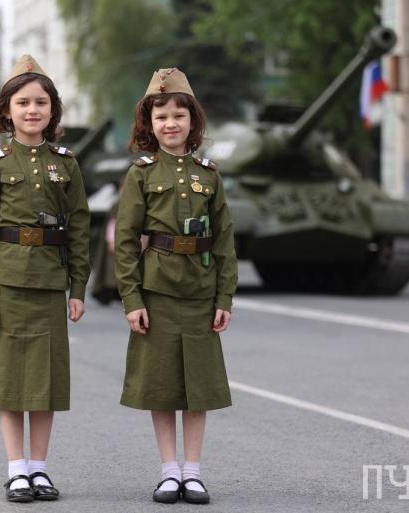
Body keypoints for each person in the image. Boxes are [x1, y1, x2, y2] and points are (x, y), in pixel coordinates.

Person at [0, 55, 90, 503]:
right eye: (22, 103)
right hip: (8, 286)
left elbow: (79, 229)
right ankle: (16, 469)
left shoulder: (66, 163)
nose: (32, 110)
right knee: (8, 380)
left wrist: (78, 287)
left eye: (41, 102)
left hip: (50, 285)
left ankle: (40, 468)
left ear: (53, 110)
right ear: (6, 111)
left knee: (45, 381)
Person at [114, 68, 238, 504]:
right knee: (162, 384)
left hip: (201, 292)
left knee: (198, 386)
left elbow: (224, 239)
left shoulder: (209, 174)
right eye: (161, 116)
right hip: (157, 292)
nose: (170, 123)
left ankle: (193, 471)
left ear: (193, 120)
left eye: (178, 115)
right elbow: (125, 240)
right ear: (149, 123)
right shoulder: (141, 174)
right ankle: (169, 470)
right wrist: (132, 298)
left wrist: (225, 297)